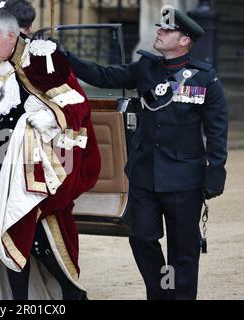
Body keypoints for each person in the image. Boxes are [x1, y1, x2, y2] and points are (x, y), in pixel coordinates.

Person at [60, 5, 228, 300]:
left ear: (185, 40)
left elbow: (217, 131)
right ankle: (161, 291)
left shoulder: (205, 79)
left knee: (183, 251)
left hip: (184, 179)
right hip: (144, 175)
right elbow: (103, 75)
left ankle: (178, 296)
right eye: (160, 28)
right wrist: (66, 58)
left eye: (167, 30)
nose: (159, 32)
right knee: (141, 238)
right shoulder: (146, 69)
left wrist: (215, 172)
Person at [0, 9, 101, 300]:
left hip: (42, 168)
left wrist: (52, 117)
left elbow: (77, 105)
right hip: (4, 163)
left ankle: (72, 293)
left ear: (11, 36)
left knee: (35, 233)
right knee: (7, 229)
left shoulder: (43, 58)